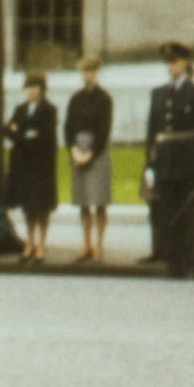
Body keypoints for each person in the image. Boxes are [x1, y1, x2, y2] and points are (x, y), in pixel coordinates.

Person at [144, 41, 194, 279]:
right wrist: (150, 164)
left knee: (188, 214)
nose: (171, 67)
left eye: (175, 62)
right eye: (168, 62)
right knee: (167, 214)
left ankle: (189, 263)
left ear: (185, 64)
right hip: (165, 160)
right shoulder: (159, 94)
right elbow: (152, 132)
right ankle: (172, 263)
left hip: (188, 161)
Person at [3, 70, 60, 262]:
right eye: (28, 87)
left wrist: (21, 134)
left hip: (41, 163)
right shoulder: (20, 109)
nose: (31, 91)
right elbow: (9, 130)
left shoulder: (49, 109)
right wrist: (25, 135)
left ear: (41, 89)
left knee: (42, 205)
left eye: (34, 87)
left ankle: (42, 243)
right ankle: (30, 241)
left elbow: (44, 136)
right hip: (24, 164)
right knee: (28, 206)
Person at [64, 55, 114, 263]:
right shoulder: (76, 98)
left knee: (99, 200)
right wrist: (73, 150)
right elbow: (68, 127)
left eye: (91, 71)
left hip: (97, 150)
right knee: (83, 201)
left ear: (97, 73)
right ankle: (86, 243)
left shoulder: (104, 99)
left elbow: (104, 129)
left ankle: (100, 243)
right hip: (78, 146)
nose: (87, 75)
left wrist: (91, 153)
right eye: (84, 71)